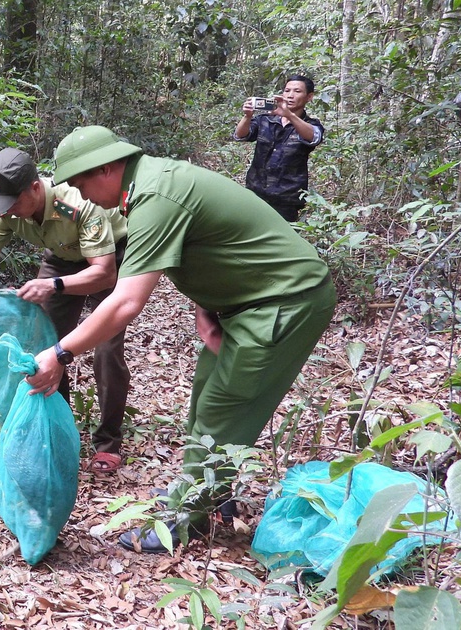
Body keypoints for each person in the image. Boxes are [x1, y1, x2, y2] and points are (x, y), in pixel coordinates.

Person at [33, 126, 335, 554]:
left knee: (224, 407)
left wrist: (61, 352)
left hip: (285, 300)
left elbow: (125, 302)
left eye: (80, 183)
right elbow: (207, 244)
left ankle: (186, 518)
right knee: (204, 399)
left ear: (105, 169)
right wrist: (206, 306)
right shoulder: (149, 184)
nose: (79, 194)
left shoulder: (155, 196)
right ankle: (210, 495)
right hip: (245, 304)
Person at [0, 148, 131, 473]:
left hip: (109, 257)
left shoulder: (77, 202)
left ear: (34, 188)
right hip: (62, 257)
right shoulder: (5, 209)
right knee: (44, 347)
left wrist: (54, 285)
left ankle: (108, 442)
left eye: (14, 203)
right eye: (3, 206)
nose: (9, 213)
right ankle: (56, 433)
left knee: (106, 348)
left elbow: (104, 273)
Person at [233, 74, 324, 221]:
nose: (290, 95)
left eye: (297, 91)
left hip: (287, 200)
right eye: (287, 91)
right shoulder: (265, 119)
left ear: (309, 97)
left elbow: (314, 137)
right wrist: (247, 116)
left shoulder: (311, 124)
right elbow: (240, 136)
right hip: (255, 193)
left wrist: (289, 114)